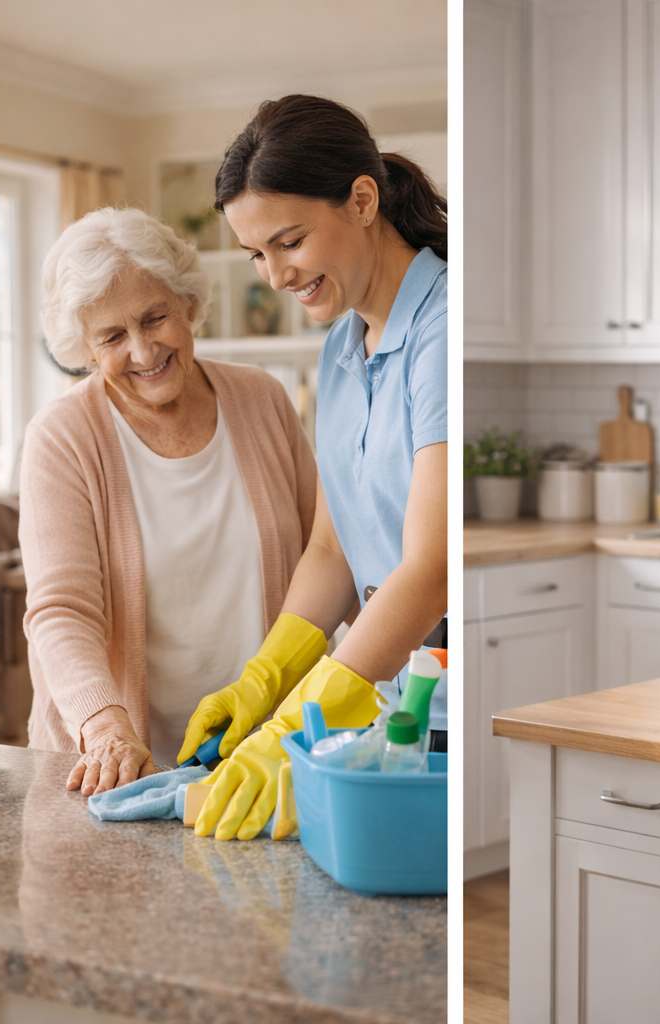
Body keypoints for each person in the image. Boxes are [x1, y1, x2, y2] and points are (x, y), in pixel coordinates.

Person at [179, 94, 449, 841]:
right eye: (256, 254)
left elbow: (432, 568)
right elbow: (333, 547)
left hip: (459, 682)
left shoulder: (444, 332)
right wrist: (265, 678)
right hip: (391, 679)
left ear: (363, 199)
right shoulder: (340, 347)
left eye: (289, 241)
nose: (274, 274)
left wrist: (303, 713)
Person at [18, 207, 318, 795]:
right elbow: (61, 611)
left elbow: (326, 554)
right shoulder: (61, 437)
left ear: (187, 302)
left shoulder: (262, 399)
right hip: (122, 769)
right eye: (111, 336)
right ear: (82, 346)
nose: (142, 350)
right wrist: (106, 728)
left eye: (155, 317)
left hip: (268, 752)